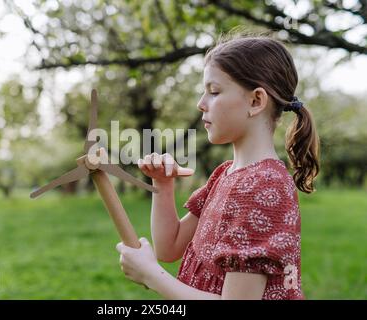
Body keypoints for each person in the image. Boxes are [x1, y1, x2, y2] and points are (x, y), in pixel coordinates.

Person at [116, 33, 320, 300]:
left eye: (214, 92)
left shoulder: (264, 187)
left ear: (256, 101)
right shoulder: (225, 175)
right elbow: (169, 247)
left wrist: (152, 276)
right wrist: (163, 184)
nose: (201, 104)